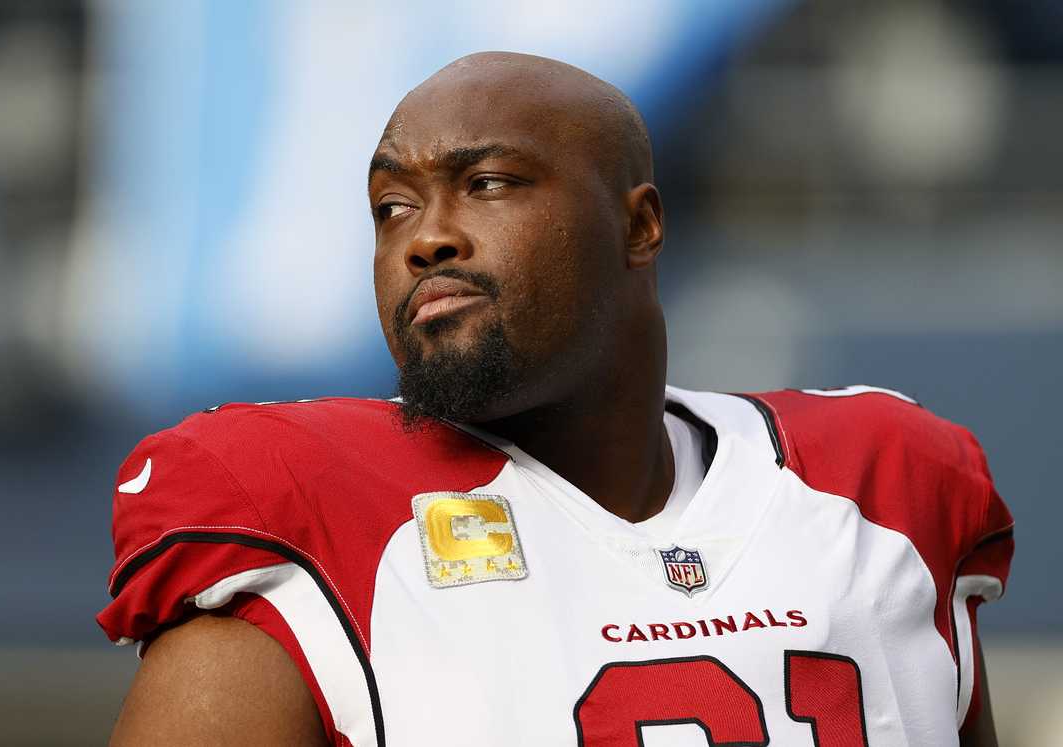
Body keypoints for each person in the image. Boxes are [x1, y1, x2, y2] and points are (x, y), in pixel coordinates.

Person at [100, 52, 1013, 746]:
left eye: (485, 183)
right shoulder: (310, 525)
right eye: (392, 207)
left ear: (639, 223)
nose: (427, 239)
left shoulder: (875, 487)